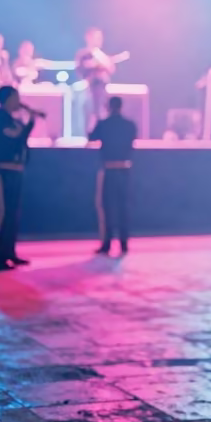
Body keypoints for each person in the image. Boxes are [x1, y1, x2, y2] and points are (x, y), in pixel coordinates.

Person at [0, 86, 37, 271]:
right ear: (7, 99)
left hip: (15, 171)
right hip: (1, 172)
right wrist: (29, 120)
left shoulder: (12, 120)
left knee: (13, 214)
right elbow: (15, 135)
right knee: (2, 213)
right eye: (16, 98)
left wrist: (31, 119)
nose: (19, 101)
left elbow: (21, 138)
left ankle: (9, 253)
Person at [88, 96, 137, 256]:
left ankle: (107, 243)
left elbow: (91, 137)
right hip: (125, 169)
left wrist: (96, 118)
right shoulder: (130, 125)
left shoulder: (104, 124)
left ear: (108, 107)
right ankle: (124, 243)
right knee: (124, 207)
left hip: (109, 170)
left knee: (107, 207)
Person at [75, 28, 116, 134]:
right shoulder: (84, 54)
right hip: (89, 89)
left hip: (102, 89)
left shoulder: (102, 55)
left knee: (102, 113)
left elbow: (111, 69)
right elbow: (80, 70)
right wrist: (92, 65)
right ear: (88, 38)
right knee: (90, 113)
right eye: (96, 38)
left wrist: (104, 64)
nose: (99, 40)